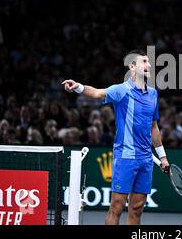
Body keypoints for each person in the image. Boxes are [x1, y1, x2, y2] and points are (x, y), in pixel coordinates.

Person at [62, 49, 169, 225]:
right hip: (125, 157)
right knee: (116, 207)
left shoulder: (153, 94)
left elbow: (154, 127)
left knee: (137, 209)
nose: (148, 65)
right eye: (144, 61)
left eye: (148, 62)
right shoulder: (121, 90)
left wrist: (163, 157)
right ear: (132, 66)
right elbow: (97, 93)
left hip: (146, 159)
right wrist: (78, 87)